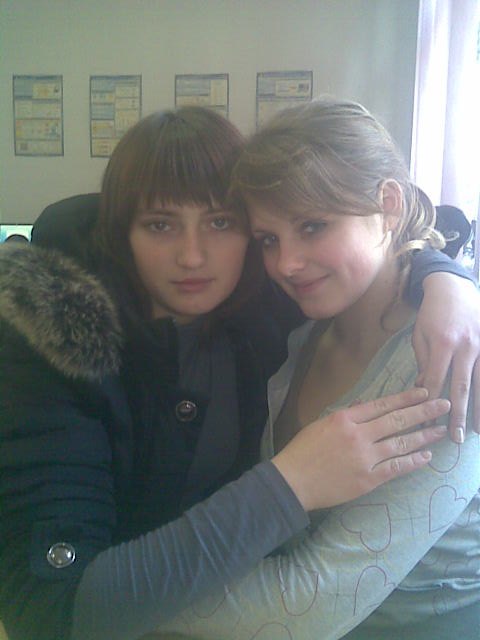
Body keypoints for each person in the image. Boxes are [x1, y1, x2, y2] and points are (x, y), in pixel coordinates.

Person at [0, 107, 477, 640]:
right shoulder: (51, 340)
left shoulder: (431, 353)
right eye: (159, 225)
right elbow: (50, 607)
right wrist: (291, 483)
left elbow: (315, 601)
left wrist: (451, 280)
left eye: (222, 223)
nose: (192, 256)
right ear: (122, 231)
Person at [155, 99, 480, 640]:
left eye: (313, 225)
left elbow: (313, 601)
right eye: (269, 239)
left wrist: (109, 602)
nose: (285, 263)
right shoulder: (303, 331)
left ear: (388, 206)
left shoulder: (446, 358)